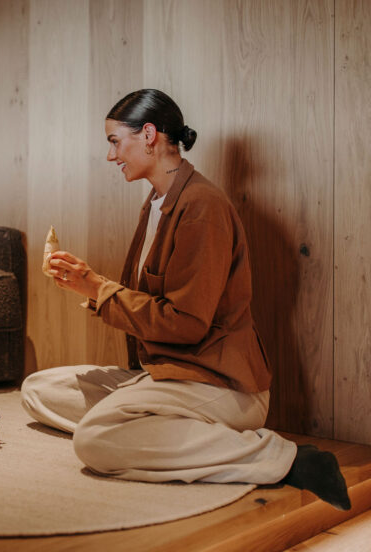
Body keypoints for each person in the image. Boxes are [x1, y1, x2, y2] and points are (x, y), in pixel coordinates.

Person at [23, 89, 350, 510]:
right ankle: (155, 426)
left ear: (148, 135)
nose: (110, 156)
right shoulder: (158, 202)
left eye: (113, 142)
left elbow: (187, 322)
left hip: (218, 383)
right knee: (38, 389)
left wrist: (97, 289)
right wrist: (88, 283)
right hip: (168, 373)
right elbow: (150, 303)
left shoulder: (202, 207)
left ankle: (280, 458)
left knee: (94, 441)